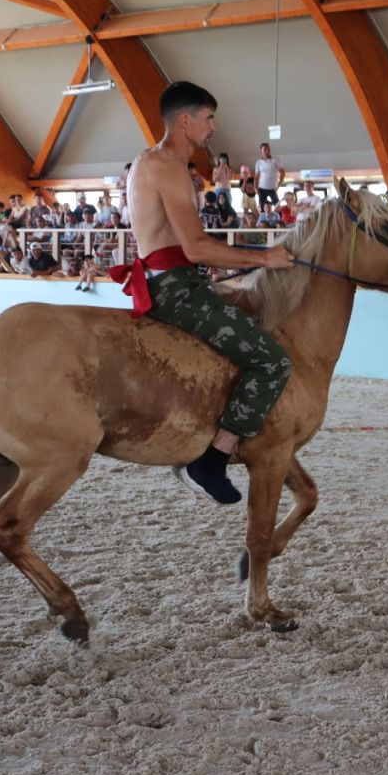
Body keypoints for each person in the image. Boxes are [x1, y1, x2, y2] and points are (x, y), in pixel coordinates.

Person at [114, 81, 295, 504]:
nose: (213, 128)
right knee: (273, 361)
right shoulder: (167, 167)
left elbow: (184, 247)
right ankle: (210, 461)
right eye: (209, 118)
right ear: (185, 120)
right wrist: (266, 258)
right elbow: (195, 246)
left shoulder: (150, 162)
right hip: (176, 290)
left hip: (177, 277)